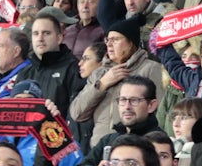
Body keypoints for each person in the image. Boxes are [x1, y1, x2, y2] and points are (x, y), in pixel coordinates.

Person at [71, 18, 166, 149]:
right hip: (100, 148)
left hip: (136, 147)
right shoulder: (100, 74)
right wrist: (102, 85)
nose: (109, 44)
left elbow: (161, 113)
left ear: (130, 43)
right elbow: (77, 113)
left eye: (115, 40)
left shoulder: (151, 69)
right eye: (107, 40)